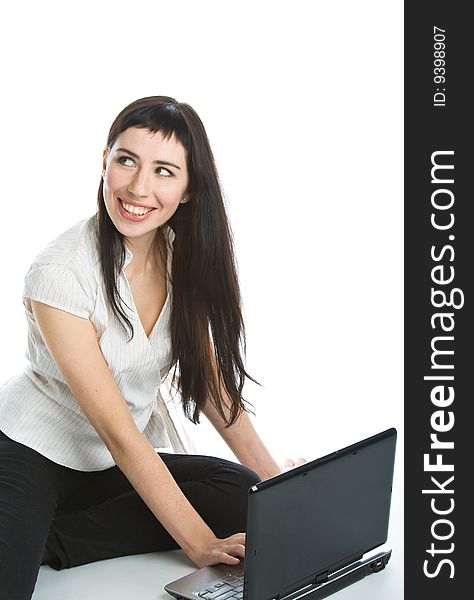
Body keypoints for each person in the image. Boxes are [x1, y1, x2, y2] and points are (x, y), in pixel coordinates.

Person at [0, 95, 305, 599]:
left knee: (242, 492)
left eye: (164, 171)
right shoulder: (59, 273)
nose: (139, 188)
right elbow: (119, 432)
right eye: (126, 161)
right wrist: (201, 544)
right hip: (35, 451)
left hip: (102, 464)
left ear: (187, 190)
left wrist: (278, 483)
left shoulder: (179, 255)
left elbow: (207, 383)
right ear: (104, 163)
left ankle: (51, 537)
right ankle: (27, 533)